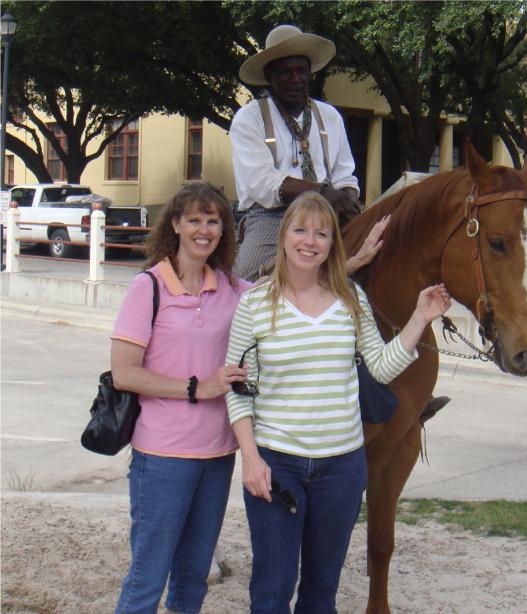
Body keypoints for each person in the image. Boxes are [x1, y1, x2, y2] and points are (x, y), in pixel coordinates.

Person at [225, 192, 452, 613]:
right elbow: (238, 390)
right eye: (300, 230)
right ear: (284, 237)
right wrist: (251, 459)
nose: (309, 241)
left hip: (342, 469)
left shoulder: (351, 300)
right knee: (272, 590)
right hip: (278, 464)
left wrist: (420, 317)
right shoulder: (254, 304)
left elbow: (381, 368)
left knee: (321, 592)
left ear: (333, 243)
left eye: (321, 233)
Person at [111, 183, 252, 613]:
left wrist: (352, 260)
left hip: (217, 453)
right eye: (194, 220)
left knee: (193, 579)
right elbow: (123, 373)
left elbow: (291, 286)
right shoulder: (148, 288)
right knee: (147, 578)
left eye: (213, 221)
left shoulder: (232, 288)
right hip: (163, 456)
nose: (204, 230)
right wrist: (196, 387)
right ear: (175, 224)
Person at [231, 24, 361, 282]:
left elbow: (345, 173)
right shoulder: (249, 118)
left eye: (301, 71)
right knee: (246, 277)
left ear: (309, 73)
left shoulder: (330, 117)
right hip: (273, 216)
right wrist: (321, 191)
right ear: (270, 76)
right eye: (285, 73)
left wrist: (347, 197)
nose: (295, 79)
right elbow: (262, 181)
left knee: (379, 254)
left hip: (330, 211)